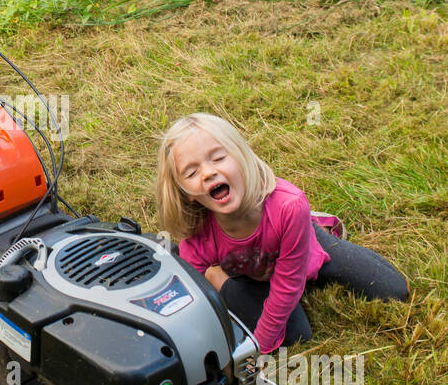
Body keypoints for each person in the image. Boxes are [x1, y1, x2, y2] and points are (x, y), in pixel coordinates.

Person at [155, 112, 409, 354]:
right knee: (297, 334)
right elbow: (197, 301)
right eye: (191, 172)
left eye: (219, 158)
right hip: (249, 273)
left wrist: (261, 348)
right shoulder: (197, 233)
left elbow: (288, 284)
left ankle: (314, 227)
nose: (208, 172)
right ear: (185, 191)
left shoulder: (289, 205)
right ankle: (221, 276)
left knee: (394, 290)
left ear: (242, 157)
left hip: (302, 244)